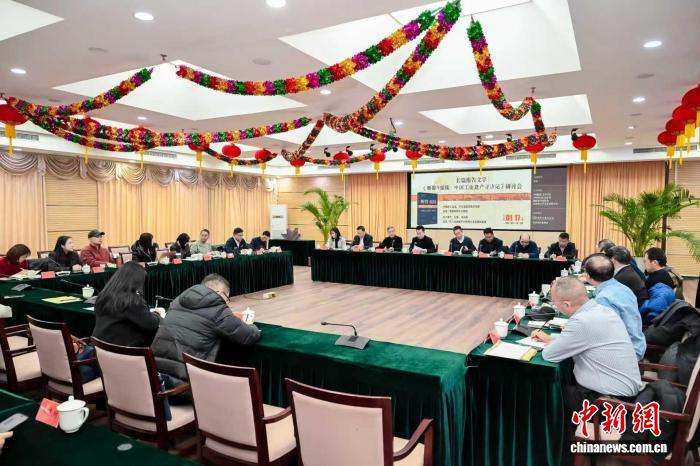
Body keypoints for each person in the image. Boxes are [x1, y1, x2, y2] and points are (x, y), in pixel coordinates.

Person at [534, 277, 642, 446]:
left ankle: (555, 449)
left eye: (555, 304)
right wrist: (553, 339)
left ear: (567, 305)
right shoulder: (602, 310)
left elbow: (549, 355)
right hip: (625, 395)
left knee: (544, 393)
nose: (555, 307)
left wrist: (552, 342)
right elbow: (585, 339)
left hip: (609, 404)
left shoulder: (582, 321)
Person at [151, 273, 261, 396]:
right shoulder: (217, 309)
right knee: (234, 391)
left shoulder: (178, 301)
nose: (226, 303)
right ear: (221, 293)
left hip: (155, 379)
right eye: (227, 299)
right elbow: (248, 336)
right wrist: (251, 325)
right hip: (183, 387)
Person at [582, 254, 645, 360]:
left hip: (625, 354)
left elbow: (602, 335)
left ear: (587, 275)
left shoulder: (604, 299)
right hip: (636, 344)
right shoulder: (623, 288)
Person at [92, 261, 161, 347]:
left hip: (100, 348)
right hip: (122, 351)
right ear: (136, 282)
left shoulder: (103, 295)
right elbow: (151, 324)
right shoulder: (131, 300)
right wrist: (158, 314)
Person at [639, 247, 676, 323]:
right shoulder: (666, 273)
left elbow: (646, 304)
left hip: (654, 318)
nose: (643, 264)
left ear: (655, 262)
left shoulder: (653, 280)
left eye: (645, 261)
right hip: (667, 315)